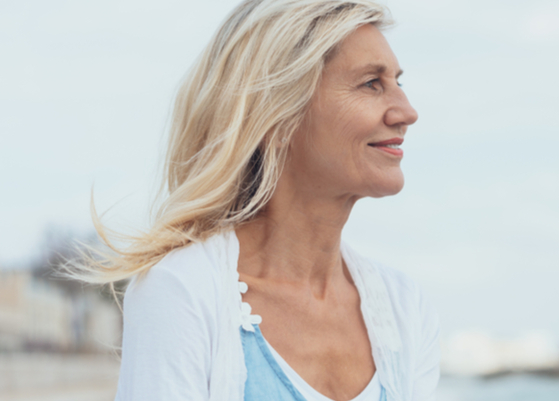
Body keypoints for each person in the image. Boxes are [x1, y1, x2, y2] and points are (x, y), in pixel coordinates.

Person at [68, 0, 439, 400]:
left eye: (399, 82)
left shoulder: (404, 308)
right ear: (278, 114)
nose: (407, 111)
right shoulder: (181, 291)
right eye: (372, 83)